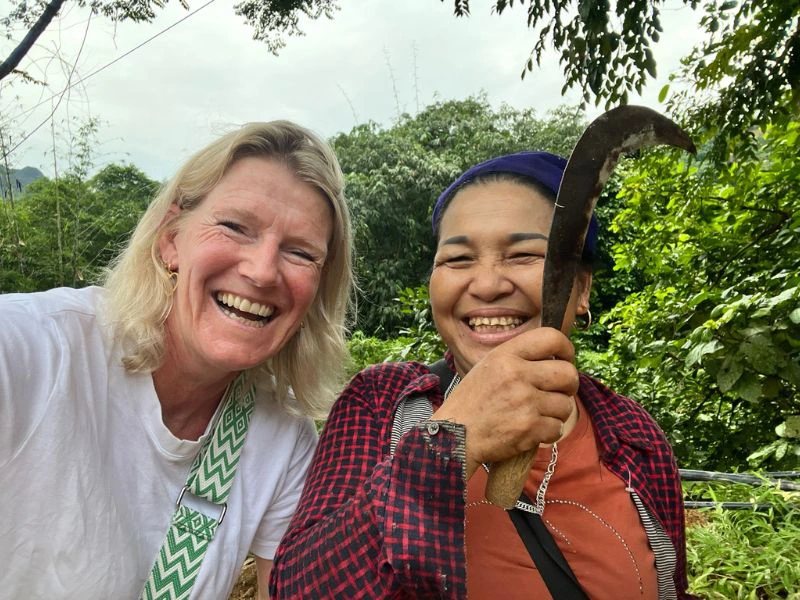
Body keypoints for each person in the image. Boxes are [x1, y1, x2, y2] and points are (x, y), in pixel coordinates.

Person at [271, 151, 696, 599]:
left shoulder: (633, 435)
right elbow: (297, 588)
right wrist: (451, 441)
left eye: (524, 254)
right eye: (458, 259)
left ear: (582, 288)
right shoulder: (378, 403)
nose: (488, 284)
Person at [0, 121, 353, 599]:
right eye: (234, 227)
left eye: (300, 252)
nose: (263, 270)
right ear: (171, 239)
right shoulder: (33, 349)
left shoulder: (282, 437)